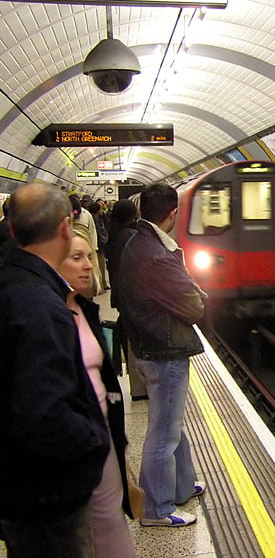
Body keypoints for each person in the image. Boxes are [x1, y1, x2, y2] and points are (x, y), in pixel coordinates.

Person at [0, 183, 109, 558]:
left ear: (12, 230)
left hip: (17, 485)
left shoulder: (11, 284)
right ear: (66, 228)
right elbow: (42, 412)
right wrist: (92, 439)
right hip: (46, 492)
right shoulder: (40, 305)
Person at [119, 183, 207, 527]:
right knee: (164, 431)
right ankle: (156, 509)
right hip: (164, 349)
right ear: (173, 213)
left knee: (172, 422)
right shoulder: (156, 253)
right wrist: (198, 295)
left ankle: (182, 486)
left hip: (148, 343)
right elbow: (194, 306)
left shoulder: (136, 243)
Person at [58, 226, 136, 558]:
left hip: (100, 434)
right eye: (77, 257)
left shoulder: (86, 309)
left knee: (109, 519)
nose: (90, 265)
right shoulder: (46, 316)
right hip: (74, 441)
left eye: (90, 256)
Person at [105, 199, 146, 398]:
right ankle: (139, 388)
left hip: (122, 296)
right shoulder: (130, 236)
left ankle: (137, 385)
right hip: (132, 298)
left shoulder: (115, 234)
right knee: (136, 342)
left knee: (131, 339)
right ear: (132, 214)